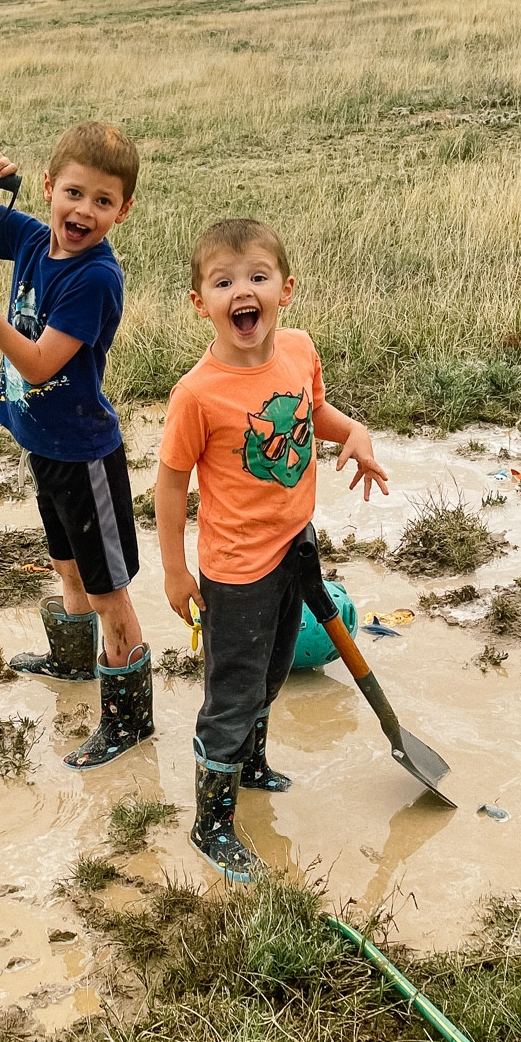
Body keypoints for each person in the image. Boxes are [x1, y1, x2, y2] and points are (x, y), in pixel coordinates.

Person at [155, 216, 388, 878]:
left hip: (295, 546)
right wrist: (175, 570)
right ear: (200, 303)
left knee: (276, 673)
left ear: (285, 289)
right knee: (231, 694)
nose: (242, 291)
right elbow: (170, 486)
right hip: (235, 572)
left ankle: (251, 766)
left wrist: (357, 433)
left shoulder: (299, 350)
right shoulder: (197, 395)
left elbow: (315, 414)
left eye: (256, 276)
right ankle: (212, 822)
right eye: (224, 281)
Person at [0, 124, 151, 767]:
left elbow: (37, 366)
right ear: (50, 187)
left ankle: (129, 718)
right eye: (74, 193)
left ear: (123, 210)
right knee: (66, 564)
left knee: (109, 590)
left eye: (103, 201)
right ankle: (75, 662)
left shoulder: (95, 278)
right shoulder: (28, 237)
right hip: (43, 442)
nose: (84, 211)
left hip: (84, 453)